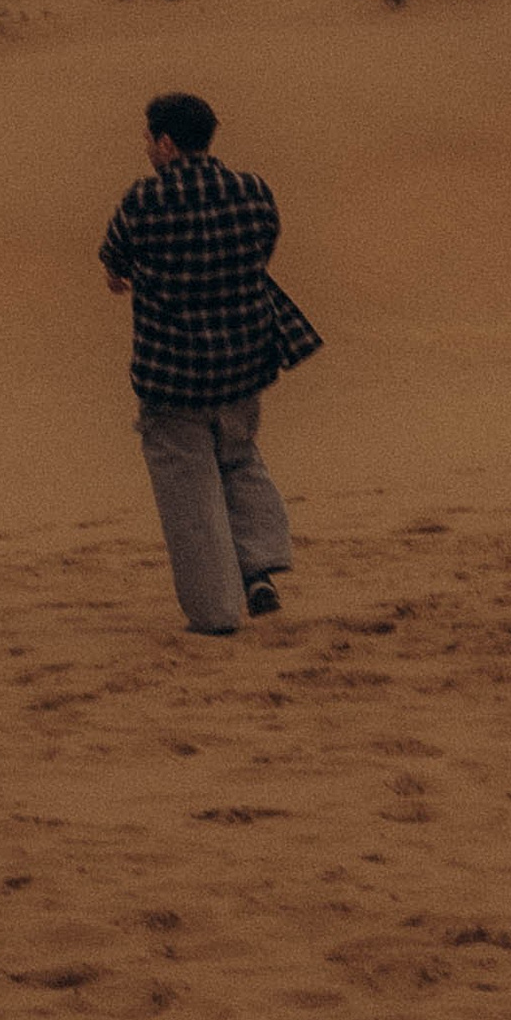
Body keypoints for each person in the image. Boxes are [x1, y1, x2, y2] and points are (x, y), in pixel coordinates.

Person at [99, 92, 321, 635]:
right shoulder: (252, 190)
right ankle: (260, 567)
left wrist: (124, 274)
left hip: (172, 371)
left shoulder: (144, 201)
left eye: (150, 140)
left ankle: (215, 610)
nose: (147, 149)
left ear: (167, 143)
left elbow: (113, 254)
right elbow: (266, 244)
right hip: (243, 361)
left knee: (188, 485)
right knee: (239, 458)